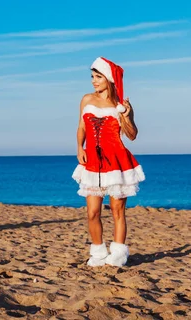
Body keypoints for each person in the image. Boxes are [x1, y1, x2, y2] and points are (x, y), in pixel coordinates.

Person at [72, 57, 145, 267]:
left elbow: (132, 135)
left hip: (116, 161)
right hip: (93, 161)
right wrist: (79, 148)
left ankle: (118, 254)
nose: (94, 81)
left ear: (109, 79)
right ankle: (98, 252)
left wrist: (127, 116)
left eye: (98, 77)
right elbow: (81, 127)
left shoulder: (121, 105)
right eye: (92, 77)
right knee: (92, 212)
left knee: (117, 210)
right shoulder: (86, 99)